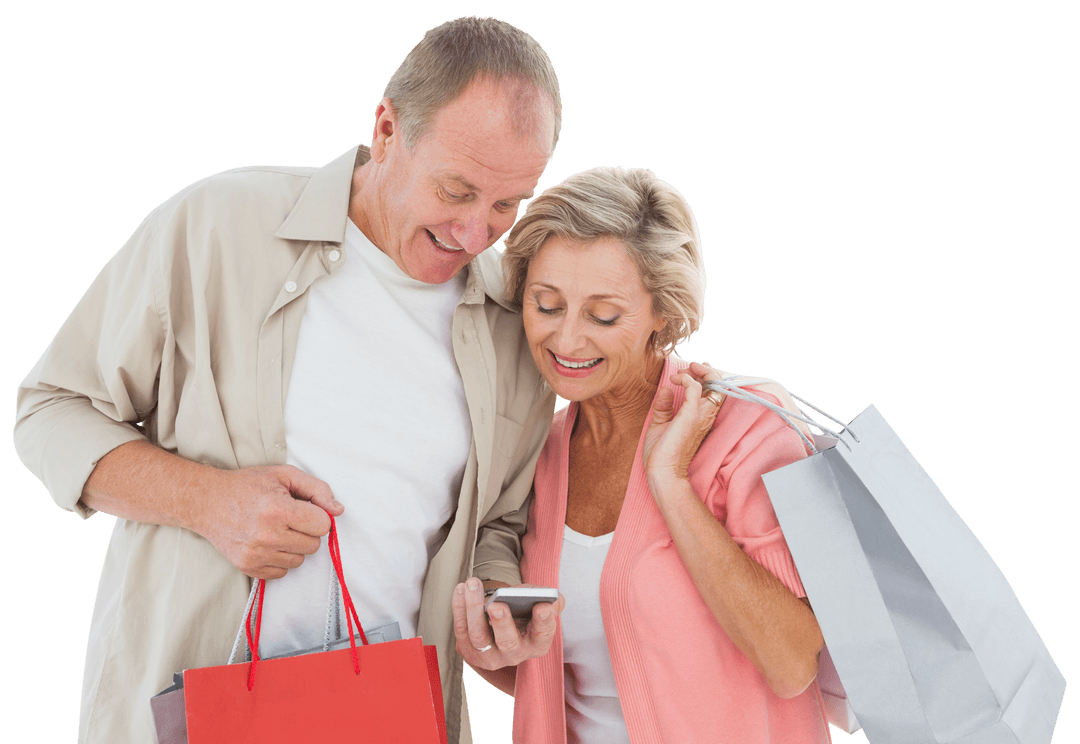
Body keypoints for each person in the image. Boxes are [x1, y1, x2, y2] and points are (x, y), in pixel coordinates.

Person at [13, 15, 564, 744]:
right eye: (455, 189)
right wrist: (208, 502)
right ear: (388, 129)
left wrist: (496, 604)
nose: (473, 233)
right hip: (190, 715)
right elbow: (50, 409)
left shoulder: (514, 323)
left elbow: (497, 524)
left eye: (505, 205)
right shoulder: (219, 225)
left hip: (392, 723)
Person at [453, 166, 832, 743]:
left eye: (604, 315)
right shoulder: (538, 451)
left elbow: (792, 664)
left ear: (663, 310)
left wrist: (671, 484)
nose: (567, 340)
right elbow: (561, 677)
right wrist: (492, 647)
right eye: (546, 305)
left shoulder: (748, 427)